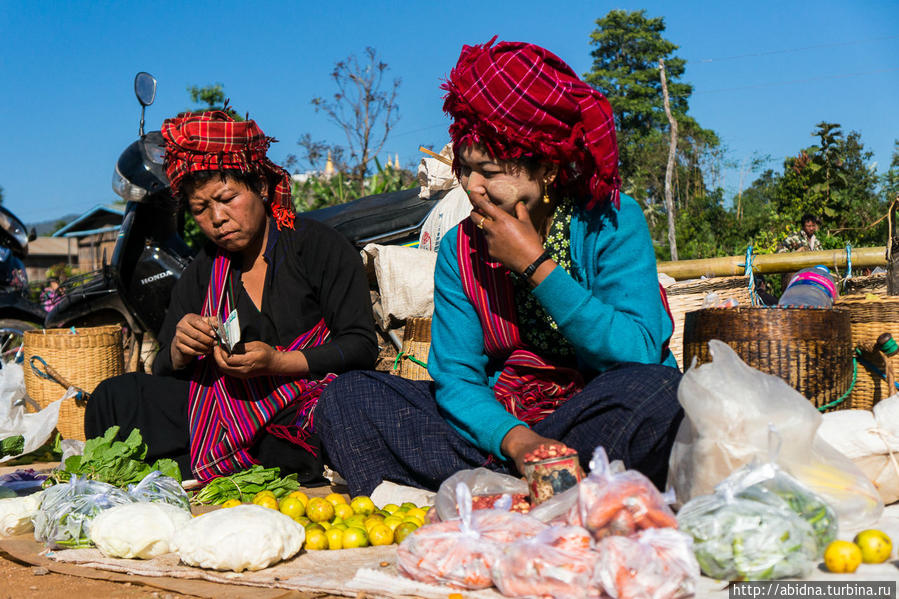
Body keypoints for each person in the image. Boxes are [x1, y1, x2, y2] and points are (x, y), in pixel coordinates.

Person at [316, 39, 683, 496]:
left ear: (547, 167)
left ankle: (496, 490)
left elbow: (638, 351)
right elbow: (457, 378)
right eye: (465, 169)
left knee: (660, 394)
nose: (472, 186)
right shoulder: (460, 247)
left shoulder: (611, 220)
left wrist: (535, 264)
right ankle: (532, 487)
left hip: (593, 416)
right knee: (348, 400)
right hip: (501, 429)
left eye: (488, 171)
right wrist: (520, 441)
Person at [85, 111, 378, 483]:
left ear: (260, 186)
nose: (217, 218)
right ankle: (233, 457)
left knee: (333, 416)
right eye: (200, 210)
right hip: (224, 410)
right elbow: (163, 370)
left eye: (227, 198)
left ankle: (214, 461)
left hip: (302, 408)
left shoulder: (318, 247)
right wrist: (179, 349)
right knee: (114, 397)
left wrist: (277, 363)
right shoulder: (201, 273)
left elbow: (360, 346)